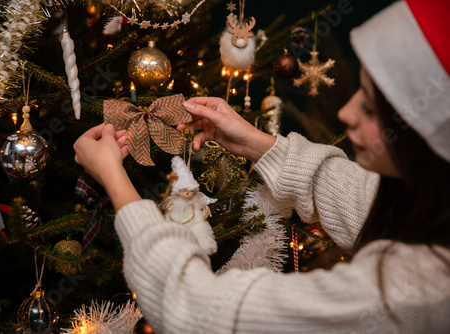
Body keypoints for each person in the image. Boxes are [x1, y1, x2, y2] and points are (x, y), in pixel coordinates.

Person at [73, 0, 450, 332]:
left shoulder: (411, 294)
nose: (345, 112)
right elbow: (357, 197)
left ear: (424, 137)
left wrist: (113, 177)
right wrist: (258, 143)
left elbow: (195, 307)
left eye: (369, 107)